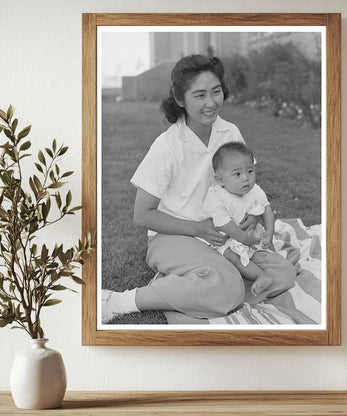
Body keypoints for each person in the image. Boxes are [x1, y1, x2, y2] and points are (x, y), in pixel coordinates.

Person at [102, 54, 296, 324]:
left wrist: (251, 214)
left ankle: (202, 287)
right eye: (200, 95)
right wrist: (196, 229)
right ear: (180, 99)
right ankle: (119, 301)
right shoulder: (167, 145)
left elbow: (246, 181)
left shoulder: (230, 132)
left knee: (283, 273)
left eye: (216, 92)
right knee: (228, 287)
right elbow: (142, 214)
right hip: (173, 236)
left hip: (224, 236)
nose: (211, 103)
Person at [200, 141, 278, 298]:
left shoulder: (254, 190)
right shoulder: (217, 197)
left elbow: (266, 208)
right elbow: (224, 224)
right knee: (232, 256)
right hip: (220, 237)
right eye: (237, 174)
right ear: (220, 180)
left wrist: (269, 231)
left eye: (250, 171)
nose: (246, 179)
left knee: (267, 244)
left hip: (243, 234)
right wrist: (245, 239)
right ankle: (261, 275)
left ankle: (274, 259)